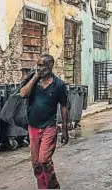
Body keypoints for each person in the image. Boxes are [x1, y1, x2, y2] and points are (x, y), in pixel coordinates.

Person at [19, 54, 68, 189]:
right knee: (36, 163)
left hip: (49, 127)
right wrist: (35, 77)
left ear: (50, 66)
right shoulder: (33, 82)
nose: (39, 68)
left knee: (44, 160)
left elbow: (64, 107)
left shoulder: (59, 85)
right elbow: (23, 94)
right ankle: (43, 187)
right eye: (38, 65)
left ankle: (53, 186)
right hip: (33, 127)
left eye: (42, 66)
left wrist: (64, 130)